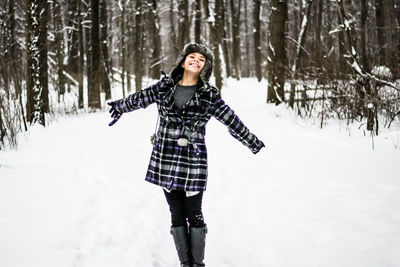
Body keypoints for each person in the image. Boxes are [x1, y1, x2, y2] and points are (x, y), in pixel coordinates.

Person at [107, 43, 265, 267]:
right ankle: (185, 263)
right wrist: (121, 106)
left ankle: (197, 264)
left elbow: (230, 118)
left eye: (202, 59)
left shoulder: (209, 95)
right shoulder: (164, 87)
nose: (196, 61)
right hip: (166, 158)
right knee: (176, 213)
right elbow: (140, 98)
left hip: (193, 161)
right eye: (192, 56)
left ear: (204, 67)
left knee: (195, 213)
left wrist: (251, 140)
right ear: (183, 61)